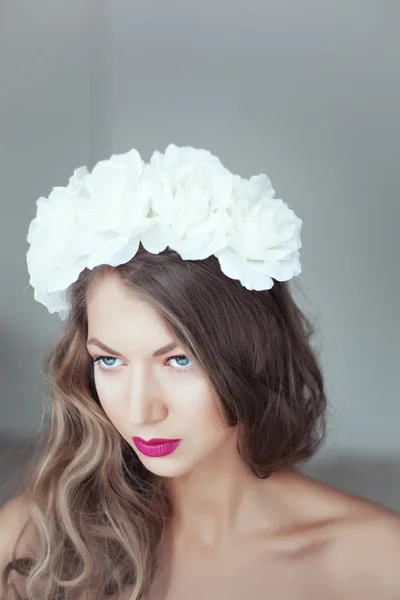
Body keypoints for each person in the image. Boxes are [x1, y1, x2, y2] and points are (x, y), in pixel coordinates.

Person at [0, 144, 399, 600]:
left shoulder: (379, 562)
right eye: (110, 361)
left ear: (251, 355)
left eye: (178, 360)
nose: (140, 410)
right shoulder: (34, 544)